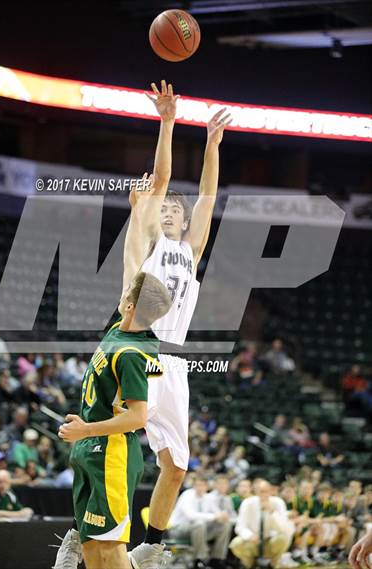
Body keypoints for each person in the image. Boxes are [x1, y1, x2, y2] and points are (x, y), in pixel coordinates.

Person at [53, 79, 230, 569]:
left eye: (176, 207)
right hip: (139, 355)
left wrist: (212, 146)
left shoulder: (191, 253)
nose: (172, 208)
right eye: (164, 206)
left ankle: (151, 544)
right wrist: (168, 122)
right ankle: (77, 534)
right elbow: (161, 178)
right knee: (110, 447)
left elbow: (209, 198)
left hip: (174, 365)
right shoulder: (141, 253)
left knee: (176, 467)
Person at [57, 271, 171, 569]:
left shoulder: (132, 353)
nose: (122, 295)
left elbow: (138, 417)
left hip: (111, 453)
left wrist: (86, 428)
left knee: (110, 551)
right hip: (91, 448)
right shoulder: (120, 330)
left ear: (131, 306)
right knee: (92, 550)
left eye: (127, 293)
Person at [170, 475, 233, 569]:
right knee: (199, 523)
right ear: (194, 486)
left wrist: (222, 516)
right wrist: (214, 516)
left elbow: (217, 513)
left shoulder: (207, 498)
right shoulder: (187, 495)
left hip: (199, 531)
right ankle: (200, 559)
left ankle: (216, 559)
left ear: (207, 487)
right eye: (197, 485)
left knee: (225, 525)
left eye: (202, 485)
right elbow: (191, 515)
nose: (200, 488)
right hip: (179, 530)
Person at [230, 480, 294, 569]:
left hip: (270, 542)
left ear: (271, 491)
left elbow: (285, 529)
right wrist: (250, 536)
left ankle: (272, 565)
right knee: (235, 544)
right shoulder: (247, 503)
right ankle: (249, 564)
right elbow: (240, 526)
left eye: (267, 491)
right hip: (253, 542)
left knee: (284, 538)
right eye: (261, 491)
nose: (264, 494)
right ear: (255, 492)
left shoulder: (278, 502)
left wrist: (272, 512)